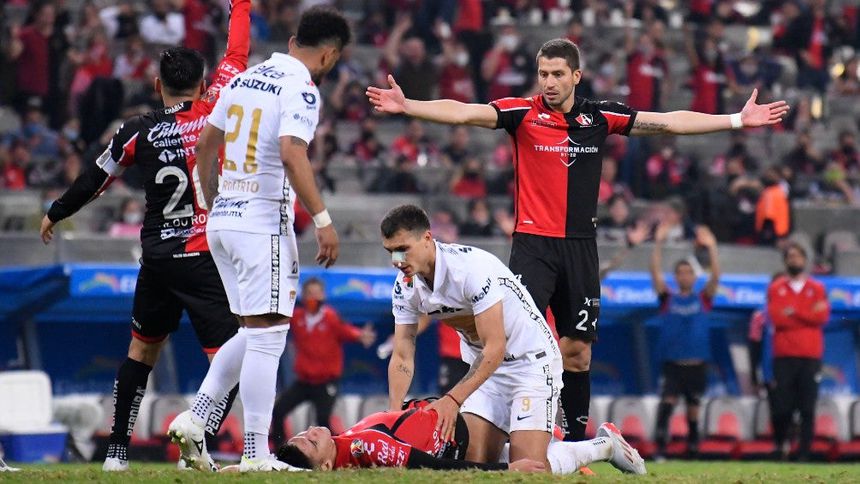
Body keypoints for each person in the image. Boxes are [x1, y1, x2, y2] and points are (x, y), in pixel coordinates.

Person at [366, 37, 789, 444]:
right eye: (542, 74)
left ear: (576, 76)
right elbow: (464, 113)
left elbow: (669, 122)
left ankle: (572, 442)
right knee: (512, 346)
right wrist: (409, 106)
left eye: (557, 74)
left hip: (580, 247)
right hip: (532, 246)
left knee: (577, 353)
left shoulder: (599, 117)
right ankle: (508, 434)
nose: (548, 82)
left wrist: (736, 120)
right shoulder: (522, 113)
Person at [38, 0, 252, 472]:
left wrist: (57, 211)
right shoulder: (217, 107)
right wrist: (241, 4)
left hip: (157, 258)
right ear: (203, 85)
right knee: (231, 360)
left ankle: (116, 454)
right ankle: (195, 440)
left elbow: (97, 178)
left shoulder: (138, 131)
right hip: (204, 257)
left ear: (158, 86)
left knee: (141, 352)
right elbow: (236, 52)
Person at [166, 6, 349, 472]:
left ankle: (197, 419)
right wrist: (323, 219)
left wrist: (215, 202)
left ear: (292, 42)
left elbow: (206, 144)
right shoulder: (301, 88)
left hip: (224, 220)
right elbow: (292, 153)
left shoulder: (244, 78)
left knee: (253, 333)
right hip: (262, 222)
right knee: (268, 339)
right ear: (329, 55)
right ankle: (256, 453)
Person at [380, 204, 565, 469]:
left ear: (427, 238)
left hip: (530, 364)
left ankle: (592, 449)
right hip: (485, 374)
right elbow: (402, 353)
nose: (397, 261)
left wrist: (452, 399)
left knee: (528, 469)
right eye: (391, 252)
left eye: (403, 249)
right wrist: (394, 415)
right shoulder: (405, 286)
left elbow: (495, 347)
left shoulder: (470, 269)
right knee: (472, 464)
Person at [264, 399, 644, 474]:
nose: (311, 431)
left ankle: (602, 446)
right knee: (533, 461)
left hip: (456, 432)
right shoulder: (353, 452)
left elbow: (429, 466)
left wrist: (501, 472)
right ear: (324, 466)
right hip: (448, 426)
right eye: (309, 441)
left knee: (531, 469)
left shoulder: (362, 446)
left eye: (303, 433)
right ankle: (599, 444)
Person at [270, 277, 376, 444]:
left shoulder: (330, 317)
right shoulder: (297, 317)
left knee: (323, 419)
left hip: (326, 382)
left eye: (317, 293)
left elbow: (346, 330)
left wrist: (361, 335)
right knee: (278, 410)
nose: (313, 298)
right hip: (304, 381)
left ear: (323, 295)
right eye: (310, 293)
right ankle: (278, 450)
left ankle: (330, 451)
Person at [649, 224, 721, 460]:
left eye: (688, 272)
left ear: (694, 277)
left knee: (693, 410)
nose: (684, 276)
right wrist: (658, 242)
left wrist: (712, 248)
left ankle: (692, 451)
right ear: (676, 277)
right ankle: (660, 450)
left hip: (697, 364)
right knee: (667, 405)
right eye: (680, 272)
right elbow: (655, 273)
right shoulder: (667, 298)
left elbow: (716, 277)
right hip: (673, 364)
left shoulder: (703, 299)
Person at [767, 242, 830, 461]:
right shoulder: (776, 288)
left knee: (807, 408)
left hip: (810, 356)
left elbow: (821, 317)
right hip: (784, 356)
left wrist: (793, 312)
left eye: (798, 256)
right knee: (782, 407)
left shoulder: (817, 288)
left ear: (805, 260)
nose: (794, 260)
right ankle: (781, 447)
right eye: (791, 256)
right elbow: (777, 318)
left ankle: (804, 453)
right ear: (785, 261)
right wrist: (807, 314)